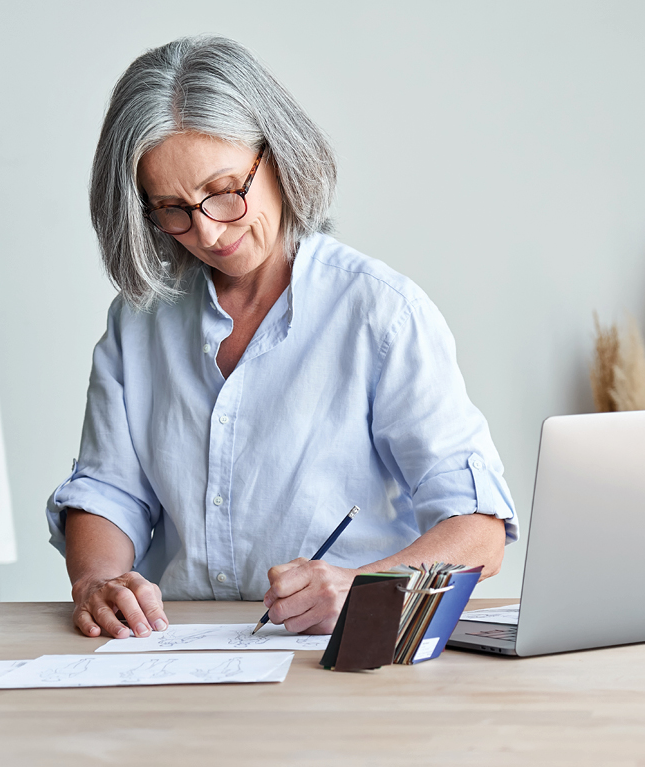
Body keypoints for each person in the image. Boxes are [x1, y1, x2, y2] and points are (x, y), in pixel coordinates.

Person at [47, 35, 518, 640]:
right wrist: (96, 582)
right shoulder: (139, 319)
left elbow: (477, 529)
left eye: (224, 192)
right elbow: (110, 491)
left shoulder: (381, 313)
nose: (209, 232)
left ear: (278, 155)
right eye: (174, 209)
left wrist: (361, 590)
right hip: (178, 649)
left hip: (339, 656)